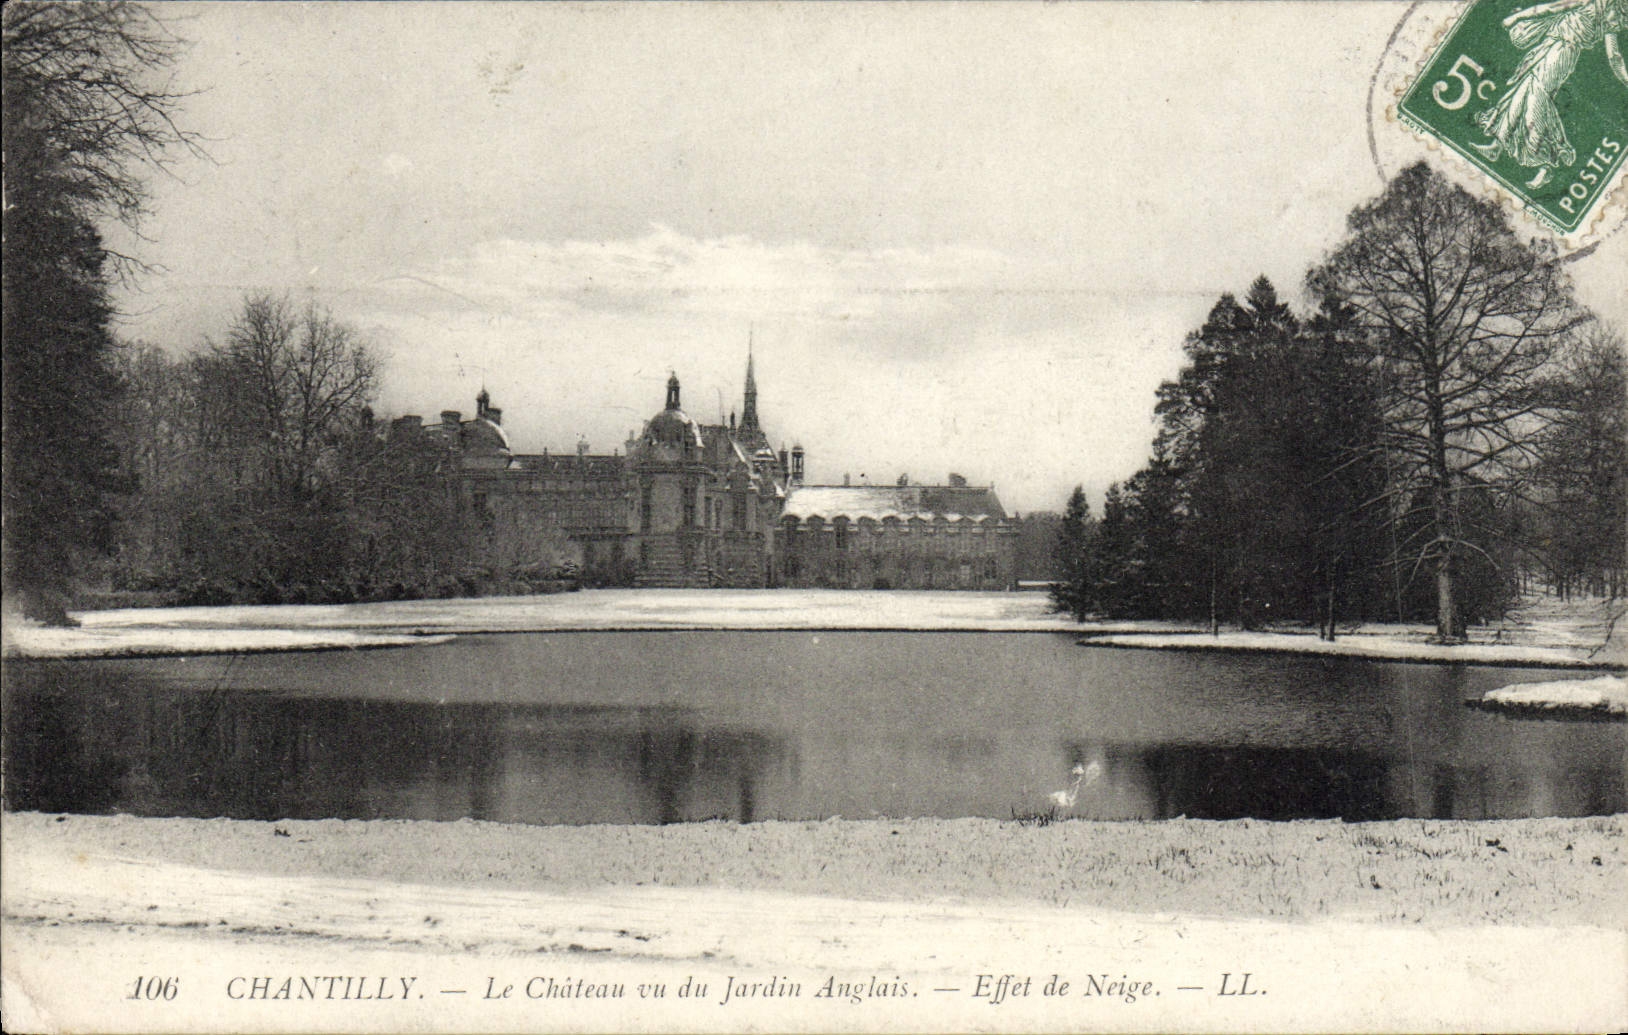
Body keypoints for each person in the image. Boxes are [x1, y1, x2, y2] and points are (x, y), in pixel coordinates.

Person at [1473, 0, 1628, 188]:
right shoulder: (1599, 7)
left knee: (1535, 101)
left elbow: (1614, 57)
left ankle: (1545, 163)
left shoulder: (1611, 17)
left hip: (1562, 52)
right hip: (1552, 46)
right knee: (1523, 92)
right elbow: (1553, 7)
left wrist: (1515, 17)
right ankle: (1496, 146)